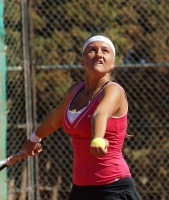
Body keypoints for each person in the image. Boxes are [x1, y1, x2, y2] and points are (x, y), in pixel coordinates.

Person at [22, 34, 142, 200]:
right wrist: (33, 139)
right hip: (80, 190)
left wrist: (98, 138)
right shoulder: (74, 91)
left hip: (113, 188)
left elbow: (100, 114)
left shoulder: (113, 90)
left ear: (112, 64)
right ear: (82, 60)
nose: (99, 54)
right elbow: (55, 118)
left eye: (105, 51)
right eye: (92, 50)